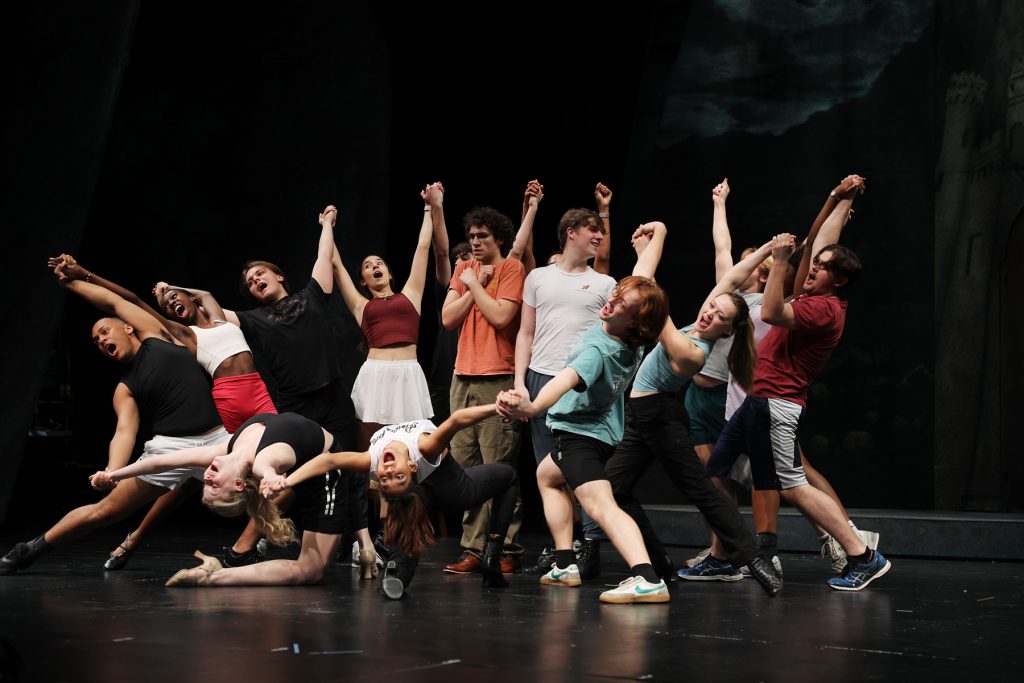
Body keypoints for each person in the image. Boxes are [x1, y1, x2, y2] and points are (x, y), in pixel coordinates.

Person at [46, 255, 278, 569]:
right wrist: (82, 276)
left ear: (191, 298)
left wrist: (171, 287)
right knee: (208, 477)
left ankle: (250, 539)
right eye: (167, 306)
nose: (171, 305)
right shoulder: (181, 336)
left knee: (269, 469)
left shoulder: (220, 318)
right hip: (229, 406)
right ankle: (242, 547)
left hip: (259, 394)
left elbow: (206, 295)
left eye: (176, 301)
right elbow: (129, 299)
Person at [0, 268, 229, 575]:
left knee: (271, 485)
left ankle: (249, 551)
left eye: (105, 332)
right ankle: (29, 550)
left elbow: (113, 301)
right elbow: (124, 431)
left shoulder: (155, 334)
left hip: (218, 438)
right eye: (96, 342)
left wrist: (75, 282)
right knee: (105, 510)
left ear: (128, 328)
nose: (101, 341)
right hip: (170, 450)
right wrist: (112, 471)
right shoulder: (125, 388)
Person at [703, 220, 891, 591]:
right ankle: (724, 557)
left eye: (823, 267)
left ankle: (863, 555)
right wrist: (839, 198)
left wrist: (780, 261)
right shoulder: (812, 296)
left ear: (838, 280)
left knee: (793, 485)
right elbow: (819, 238)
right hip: (758, 400)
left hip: (777, 403)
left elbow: (772, 313)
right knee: (716, 470)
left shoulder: (824, 308)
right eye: (815, 263)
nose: (814, 268)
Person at [187, 205, 373, 577]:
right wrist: (185, 291)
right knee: (292, 476)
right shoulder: (253, 320)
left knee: (349, 468)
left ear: (278, 275)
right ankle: (273, 538)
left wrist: (326, 224)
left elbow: (324, 256)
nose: (256, 280)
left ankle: (362, 543)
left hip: (333, 397)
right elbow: (208, 311)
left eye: (260, 274)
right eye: (250, 282)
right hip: (296, 408)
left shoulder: (312, 295)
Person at [496, 222, 673, 604]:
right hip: (593, 432)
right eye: (617, 296)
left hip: (581, 437)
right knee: (546, 475)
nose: (613, 301)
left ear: (635, 322)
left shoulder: (599, 350)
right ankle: (565, 562)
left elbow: (564, 381)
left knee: (600, 506)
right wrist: (658, 234)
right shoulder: (622, 334)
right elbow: (643, 273)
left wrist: (530, 406)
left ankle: (645, 576)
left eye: (622, 304)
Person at [605, 241, 783, 596]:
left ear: (728, 331)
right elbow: (732, 275)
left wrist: (654, 255)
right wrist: (767, 250)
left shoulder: (693, 351)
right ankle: (657, 560)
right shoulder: (699, 325)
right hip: (641, 417)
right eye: (711, 307)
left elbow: (656, 311)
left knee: (701, 490)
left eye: (719, 316)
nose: (710, 314)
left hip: (660, 417)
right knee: (612, 489)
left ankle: (754, 557)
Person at [261, 404, 519, 599]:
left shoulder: (373, 459)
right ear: (411, 467)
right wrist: (497, 408)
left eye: (387, 478)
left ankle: (491, 555)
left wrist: (288, 481)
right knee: (507, 477)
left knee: (507, 479)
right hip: (438, 491)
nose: (387, 472)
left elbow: (328, 460)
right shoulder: (423, 449)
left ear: (411, 466)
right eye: (391, 477)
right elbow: (456, 420)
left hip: (445, 489)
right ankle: (398, 574)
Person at [94, 412, 341, 587]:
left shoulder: (225, 450)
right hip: (327, 471)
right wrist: (269, 477)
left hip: (319, 464)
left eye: (207, 483)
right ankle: (216, 577)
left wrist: (114, 475)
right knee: (311, 570)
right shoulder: (262, 461)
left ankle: (214, 574)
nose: (208, 477)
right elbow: (267, 465)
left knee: (315, 566)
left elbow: (161, 462)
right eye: (213, 484)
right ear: (237, 484)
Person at [512, 187, 616, 577]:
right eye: (593, 230)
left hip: (579, 382)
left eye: (601, 232)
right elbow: (525, 333)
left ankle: (590, 542)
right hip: (541, 377)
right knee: (546, 471)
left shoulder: (605, 284)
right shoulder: (538, 277)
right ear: (571, 232)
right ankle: (564, 548)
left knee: (580, 466)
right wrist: (520, 381)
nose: (599, 236)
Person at [439, 201, 528, 575]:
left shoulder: (511, 268)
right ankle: (472, 549)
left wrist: (474, 284)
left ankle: (505, 546)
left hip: (498, 376)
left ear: (500, 238)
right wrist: (470, 279)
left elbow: (501, 316)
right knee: (466, 468)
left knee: (499, 466)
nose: (474, 242)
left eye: (482, 236)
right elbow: (447, 319)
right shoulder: (463, 267)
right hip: (463, 377)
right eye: (471, 236)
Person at [333, 184, 440, 446]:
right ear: (363, 280)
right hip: (375, 373)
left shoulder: (410, 295)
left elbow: (423, 247)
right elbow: (336, 266)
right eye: (368, 266)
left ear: (389, 273)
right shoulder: (361, 306)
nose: (374, 266)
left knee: (411, 440)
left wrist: (428, 207)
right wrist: (327, 227)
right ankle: (369, 486)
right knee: (370, 440)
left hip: (408, 372)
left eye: (379, 263)